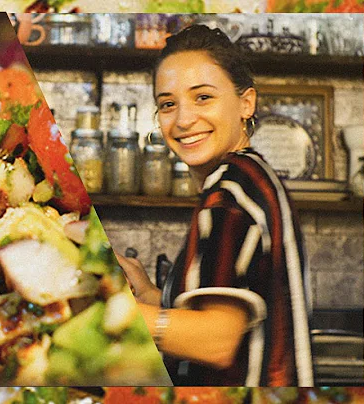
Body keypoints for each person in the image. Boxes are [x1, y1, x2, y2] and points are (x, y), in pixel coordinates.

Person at [117, 25, 313, 386]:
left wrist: (112, 312)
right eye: (168, 104)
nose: (184, 119)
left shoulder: (231, 189)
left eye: (203, 97)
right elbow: (216, 312)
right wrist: (147, 294)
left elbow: (216, 341)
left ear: (246, 103)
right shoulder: (250, 175)